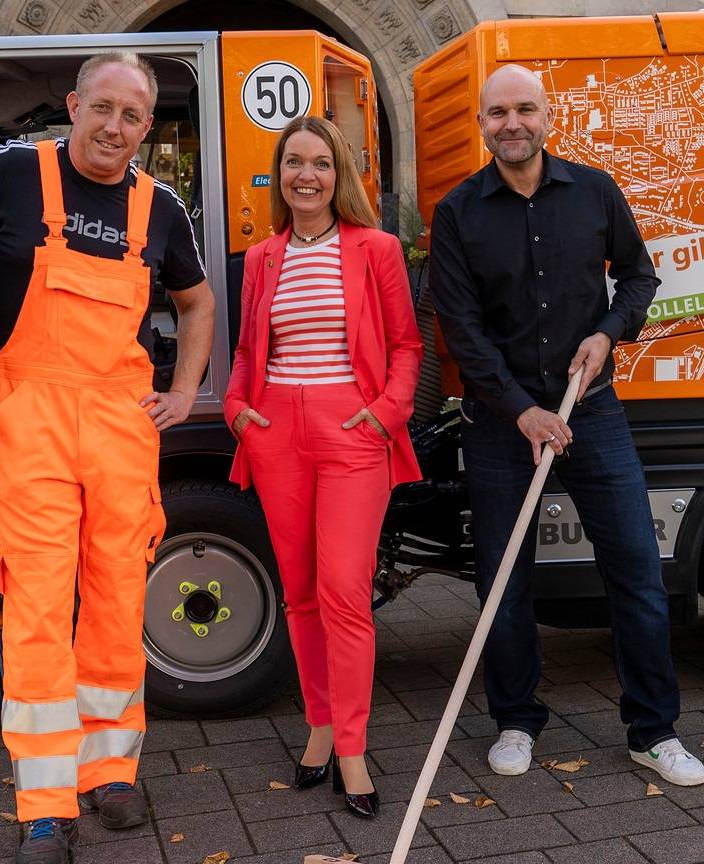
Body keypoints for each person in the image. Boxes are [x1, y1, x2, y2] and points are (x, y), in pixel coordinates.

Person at [0, 52, 215, 864]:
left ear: (145, 128)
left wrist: (187, 390)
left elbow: (195, 303)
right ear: (73, 105)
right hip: (35, 416)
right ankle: (45, 805)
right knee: (37, 602)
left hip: (122, 423)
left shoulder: (160, 206)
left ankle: (111, 771)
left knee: (118, 595)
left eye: (133, 117)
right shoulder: (15, 171)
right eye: (103, 110)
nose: (115, 129)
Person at [428, 65, 704, 788]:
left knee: (638, 576)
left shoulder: (594, 190)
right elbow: (459, 326)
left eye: (524, 109)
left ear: (546, 116)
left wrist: (610, 332)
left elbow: (640, 276)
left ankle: (654, 731)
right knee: (504, 583)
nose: (511, 123)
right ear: (483, 123)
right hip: (500, 424)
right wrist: (521, 409)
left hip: (594, 411)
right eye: (498, 113)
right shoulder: (459, 212)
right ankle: (516, 721)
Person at [223, 115, 422, 819]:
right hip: (275, 430)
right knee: (301, 592)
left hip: (350, 431)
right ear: (280, 176)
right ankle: (316, 726)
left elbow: (406, 346)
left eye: (320, 163)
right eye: (293, 163)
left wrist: (385, 413)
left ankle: (352, 747)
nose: (306, 175)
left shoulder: (376, 249)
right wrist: (237, 406)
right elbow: (249, 351)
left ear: (341, 175)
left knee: (343, 590)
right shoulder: (262, 258)